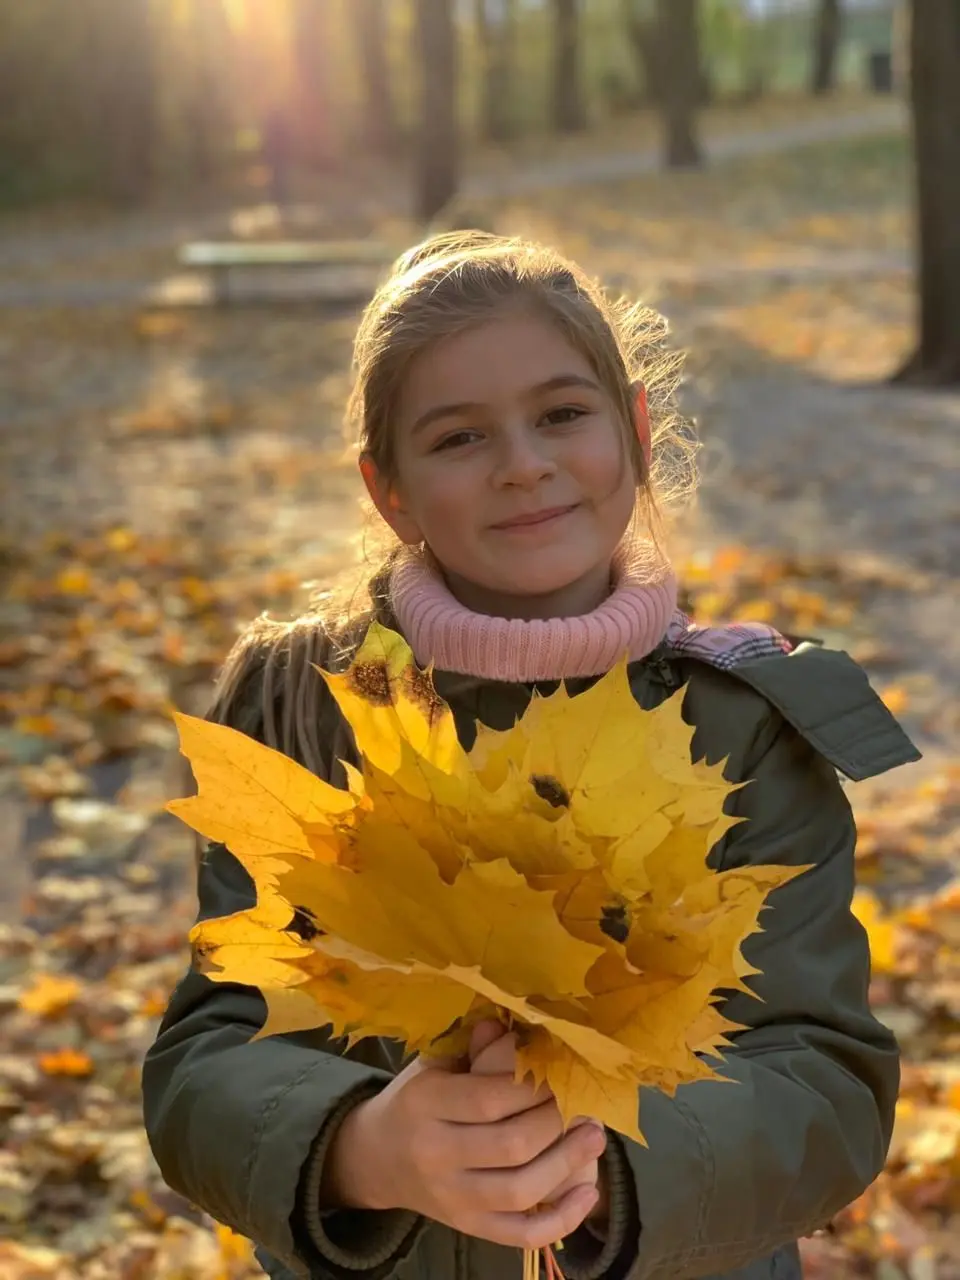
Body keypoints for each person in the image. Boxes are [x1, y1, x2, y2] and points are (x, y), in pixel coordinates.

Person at [142, 232, 921, 1280]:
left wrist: (614, 1167)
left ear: (635, 430)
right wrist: (363, 1147)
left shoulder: (745, 724)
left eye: (561, 414)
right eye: (460, 436)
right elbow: (207, 1057)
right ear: (390, 491)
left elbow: (824, 1081)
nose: (523, 464)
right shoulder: (304, 706)